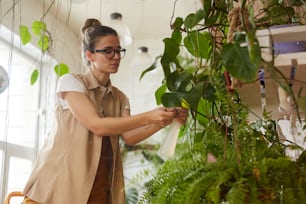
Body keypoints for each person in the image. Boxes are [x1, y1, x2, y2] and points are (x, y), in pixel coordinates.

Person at [21, 18, 188, 204]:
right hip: (60, 182)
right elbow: (97, 125)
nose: (116, 57)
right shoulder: (71, 83)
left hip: (99, 184)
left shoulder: (120, 97)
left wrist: (162, 120)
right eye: (108, 51)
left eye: (118, 51)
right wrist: (150, 116)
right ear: (90, 55)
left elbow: (129, 136)